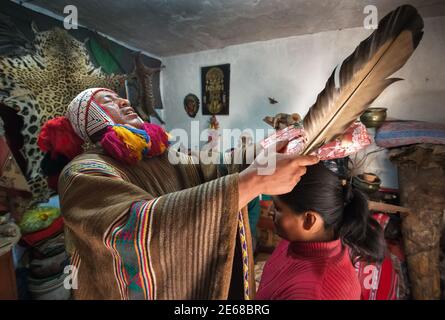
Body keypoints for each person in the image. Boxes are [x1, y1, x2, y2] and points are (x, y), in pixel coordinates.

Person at [37, 88, 319, 299]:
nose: (125, 101)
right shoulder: (83, 171)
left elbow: (213, 169)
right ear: (87, 120)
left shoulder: (160, 155)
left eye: (121, 98)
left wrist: (265, 152)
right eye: (108, 101)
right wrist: (252, 183)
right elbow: (135, 229)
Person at [256, 162, 385, 300]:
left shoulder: (315, 292)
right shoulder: (300, 241)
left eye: (278, 208)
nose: (270, 212)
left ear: (309, 220)